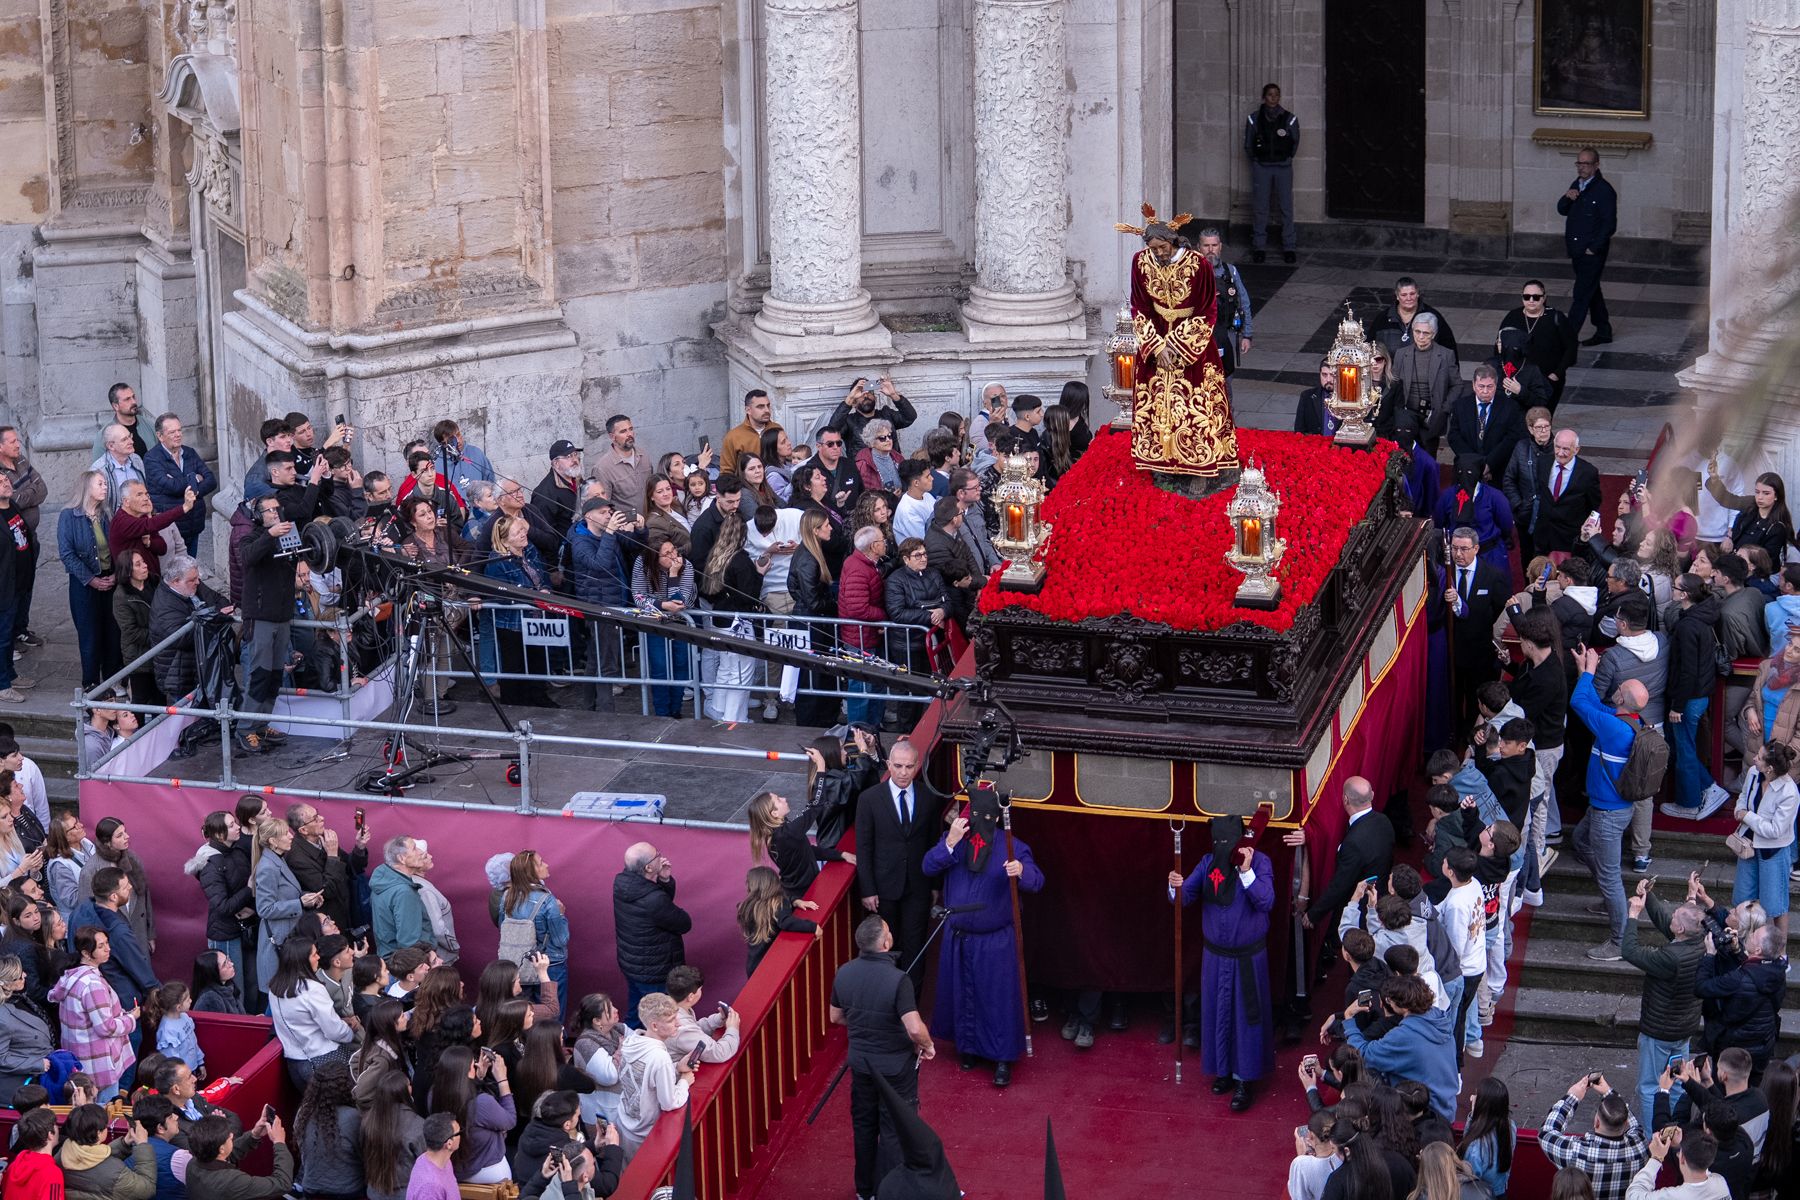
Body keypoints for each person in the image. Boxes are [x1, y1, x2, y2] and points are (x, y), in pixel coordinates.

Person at [915, 786, 1042, 1090]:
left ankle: (1001, 1059)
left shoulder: (1012, 845)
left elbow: (1037, 882)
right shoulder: (957, 842)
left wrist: (1021, 870)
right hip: (958, 937)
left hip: (996, 940)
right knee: (962, 994)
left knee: (997, 1000)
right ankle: (968, 1049)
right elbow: (928, 866)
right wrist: (949, 841)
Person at [1115, 205, 1238, 478]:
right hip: (1155, 342)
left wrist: (1178, 346)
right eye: (1153, 249)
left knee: (1196, 407)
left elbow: (1208, 310)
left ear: (1172, 241)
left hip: (1192, 346)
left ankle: (1198, 468)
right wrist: (1156, 347)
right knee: (1157, 404)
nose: (1158, 254)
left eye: (1162, 247)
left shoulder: (1199, 264)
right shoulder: (1141, 261)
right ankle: (1163, 463)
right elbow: (1140, 306)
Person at [1167, 814, 1272, 1110]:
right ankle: (1223, 1071)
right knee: (1218, 1014)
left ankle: (1244, 1079)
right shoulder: (1207, 863)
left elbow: (1266, 901)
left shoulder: (1260, 863)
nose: (1223, 847)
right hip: (1215, 957)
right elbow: (1183, 897)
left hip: (1248, 960)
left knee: (1244, 1019)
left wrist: (1246, 872)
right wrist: (1175, 885)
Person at [830, 916, 937, 1199]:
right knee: (893, 1130)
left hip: (861, 1064)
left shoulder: (844, 972)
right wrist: (927, 1046)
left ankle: (865, 1191)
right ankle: (889, 1191)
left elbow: (836, 1016)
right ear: (886, 942)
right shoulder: (898, 980)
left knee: (864, 1126)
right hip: (894, 1068)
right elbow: (914, 1027)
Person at [1569, 652, 1651, 960]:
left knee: (1610, 877)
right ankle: (1611, 900)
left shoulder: (1613, 727)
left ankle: (1619, 941)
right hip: (1610, 807)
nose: (1615, 687)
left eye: (1620, 687)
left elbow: (1578, 704)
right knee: (1579, 841)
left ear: (1622, 697)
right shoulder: (1629, 721)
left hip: (1608, 813)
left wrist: (1590, 671)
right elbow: (1590, 703)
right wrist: (1583, 672)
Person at [855, 739, 941, 990]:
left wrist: (935, 884)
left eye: (909, 767)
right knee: (884, 946)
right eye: (899, 766)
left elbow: (932, 841)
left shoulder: (928, 797)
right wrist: (867, 889)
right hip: (882, 888)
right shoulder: (869, 799)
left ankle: (911, 1001)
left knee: (915, 945)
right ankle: (886, 997)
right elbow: (864, 846)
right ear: (888, 765)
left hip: (918, 886)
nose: (904, 773)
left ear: (917, 767)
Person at [1621, 877, 1707, 1124]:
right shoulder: (1699, 941)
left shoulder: (1671, 957)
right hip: (1683, 1027)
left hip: (1660, 1031)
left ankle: (1655, 1138)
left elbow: (1630, 951)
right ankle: (1675, 1130)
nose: (1670, 918)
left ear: (1680, 930)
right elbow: (1665, 921)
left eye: (1675, 918)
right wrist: (1650, 895)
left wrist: (1633, 915)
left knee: (1650, 1086)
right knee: (1678, 1081)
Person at [1341, 975, 1457, 1121]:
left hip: (1423, 1113)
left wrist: (1349, 1017)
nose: (1386, 1002)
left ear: (1403, 1005)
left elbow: (1363, 1054)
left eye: (1389, 1000)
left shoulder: (1405, 1036)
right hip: (1447, 1106)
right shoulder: (1440, 1019)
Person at [49, 926, 138, 1103]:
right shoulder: (92, 984)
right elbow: (106, 1027)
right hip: (98, 1064)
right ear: (86, 953)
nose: (108, 948)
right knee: (103, 1112)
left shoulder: (70, 977)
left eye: (107, 943)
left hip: (80, 1059)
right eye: (101, 946)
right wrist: (131, 1018)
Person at [612, 843, 690, 1024]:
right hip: (655, 970)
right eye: (657, 855)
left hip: (633, 964)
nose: (661, 857)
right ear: (648, 867)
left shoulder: (621, 884)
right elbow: (684, 923)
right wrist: (664, 885)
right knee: (660, 1019)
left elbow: (659, 903)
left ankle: (628, 1048)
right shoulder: (653, 899)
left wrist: (663, 880)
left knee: (636, 1012)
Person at [1695, 925, 1789, 1075]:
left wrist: (1709, 956)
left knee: (1723, 1094)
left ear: (1758, 950)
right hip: (1762, 1047)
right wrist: (1738, 951)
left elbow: (1701, 987)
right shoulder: (1778, 972)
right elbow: (1756, 969)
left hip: (1734, 1051)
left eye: (1753, 936)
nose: (1749, 935)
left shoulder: (1737, 979)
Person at [1541, 1072, 1651, 1200]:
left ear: (1596, 1122)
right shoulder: (1640, 1145)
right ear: (1625, 1123)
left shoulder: (1575, 1152)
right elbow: (1632, 1123)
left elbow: (1546, 1131)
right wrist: (1608, 1093)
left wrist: (1572, 1097)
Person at [1727, 741, 1798, 934]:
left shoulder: (1789, 792)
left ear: (1770, 768)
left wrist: (1747, 816)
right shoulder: (1753, 773)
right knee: (1743, 900)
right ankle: (1745, 947)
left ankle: (1780, 955)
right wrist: (1740, 808)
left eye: (1759, 757)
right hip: (1748, 845)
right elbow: (1744, 795)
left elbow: (1775, 830)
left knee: (1775, 905)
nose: (1754, 759)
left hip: (1773, 851)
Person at [267, 935, 355, 1088]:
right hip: (325, 1061)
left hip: (295, 1064)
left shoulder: (274, 988)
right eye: (314, 954)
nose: (318, 957)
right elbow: (334, 1031)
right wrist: (350, 1031)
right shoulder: (312, 989)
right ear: (302, 960)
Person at [614, 992, 692, 1159]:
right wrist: (685, 1081)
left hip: (624, 1121)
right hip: (643, 1134)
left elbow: (644, 1075)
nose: (678, 1023)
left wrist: (677, 1066)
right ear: (655, 1026)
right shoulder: (659, 1057)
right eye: (671, 1020)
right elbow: (669, 1103)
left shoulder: (631, 1041)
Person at [628, 537, 696, 719]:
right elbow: (638, 596)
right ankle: (662, 713)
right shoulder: (642, 563)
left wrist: (673, 574)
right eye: (667, 554)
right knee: (660, 667)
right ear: (655, 558)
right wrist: (663, 605)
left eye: (674, 550)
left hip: (679, 623)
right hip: (654, 622)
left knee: (681, 666)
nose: (674, 556)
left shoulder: (685, 566)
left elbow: (682, 601)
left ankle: (676, 709)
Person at [1558, 146, 1619, 347]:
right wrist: (1567, 197)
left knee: (1581, 293)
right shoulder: (1578, 184)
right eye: (1579, 163)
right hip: (1577, 249)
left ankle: (1567, 337)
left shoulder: (1604, 190)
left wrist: (1593, 248)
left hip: (1591, 252)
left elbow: (1609, 224)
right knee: (1591, 290)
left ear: (1596, 165)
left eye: (1586, 164)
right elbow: (1562, 210)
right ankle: (1604, 330)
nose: (1581, 167)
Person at [502, 850, 571, 1021]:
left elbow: (503, 927)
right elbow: (561, 939)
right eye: (541, 863)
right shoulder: (546, 900)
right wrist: (561, 915)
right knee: (551, 1016)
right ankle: (551, 1047)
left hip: (518, 965)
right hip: (549, 964)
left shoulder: (507, 897)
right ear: (531, 872)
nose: (546, 864)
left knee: (522, 1017)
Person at [251, 818, 316, 990]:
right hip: (279, 939)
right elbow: (265, 909)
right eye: (286, 833)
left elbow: (286, 893)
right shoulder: (268, 867)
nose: (291, 836)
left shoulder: (278, 860)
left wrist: (306, 898)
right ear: (273, 841)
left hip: (287, 936)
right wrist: (299, 903)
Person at [1500, 280, 1580, 410]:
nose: (1531, 300)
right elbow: (1500, 345)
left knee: (1542, 419)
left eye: (1536, 297)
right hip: (1517, 380)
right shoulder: (1513, 316)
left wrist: (1556, 374)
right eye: (1527, 297)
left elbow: (1571, 347)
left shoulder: (1556, 318)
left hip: (1547, 381)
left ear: (1544, 298)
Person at [293, 1058, 364, 1200]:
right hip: (349, 1191)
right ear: (346, 1087)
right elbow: (363, 1154)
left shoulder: (303, 1113)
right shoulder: (353, 1118)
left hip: (311, 1189)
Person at [1243, 83, 1297, 262]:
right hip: (1262, 167)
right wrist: (1258, 160)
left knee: (1286, 207)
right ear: (1264, 97)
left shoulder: (1289, 119)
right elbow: (1249, 144)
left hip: (1283, 167)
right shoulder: (1254, 118)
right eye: (1270, 95)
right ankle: (1259, 247)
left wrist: (1285, 158)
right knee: (1261, 208)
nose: (1273, 98)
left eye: (1276, 95)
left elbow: (1294, 143)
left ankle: (1289, 247)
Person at [185, 1110, 293, 1200]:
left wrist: (254, 1134)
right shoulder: (232, 1182)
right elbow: (282, 1184)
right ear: (221, 1149)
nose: (232, 1135)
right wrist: (279, 1142)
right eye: (229, 1137)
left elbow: (227, 1155)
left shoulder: (193, 1163)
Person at [1391, 313, 1460, 450]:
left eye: (1426, 333)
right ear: (1412, 331)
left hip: (1432, 416)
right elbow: (1393, 383)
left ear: (1433, 334)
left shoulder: (1446, 355)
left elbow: (1457, 385)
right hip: (1407, 414)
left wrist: (1444, 409)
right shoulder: (1401, 354)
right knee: (1404, 455)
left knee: (1429, 455)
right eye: (1417, 331)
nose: (1421, 337)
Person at [1448, 366, 1526, 484]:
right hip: (1466, 469)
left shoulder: (1510, 407)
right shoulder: (1460, 406)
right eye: (1481, 386)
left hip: (1498, 470)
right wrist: (1474, 463)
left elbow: (1511, 438)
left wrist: (1489, 465)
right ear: (1474, 385)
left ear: (1496, 386)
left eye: (1490, 386)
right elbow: (1454, 436)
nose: (1485, 391)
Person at [738, 865, 820, 974]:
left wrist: (794, 900)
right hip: (770, 963)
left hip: (753, 964)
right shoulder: (778, 903)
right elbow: (785, 921)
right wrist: (813, 926)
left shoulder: (746, 907)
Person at [1538, 429, 1606, 555]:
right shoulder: (1543, 462)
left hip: (1569, 538)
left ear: (1576, 450)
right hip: (1542, 534)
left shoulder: (1588, 472)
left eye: (1566, 449)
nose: (1560, 453)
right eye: (1557, 447)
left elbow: (1594, 504)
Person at [0, 953, 52, 1105]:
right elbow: (1, 1058)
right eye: (19, 976)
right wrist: (37, 1063)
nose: (25, 975)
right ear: (6, 983)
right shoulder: (3, 1017)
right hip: (22, 1088)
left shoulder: (19, 998)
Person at [663, 964, 740, 1064]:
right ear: (690, 997)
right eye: (700, 989)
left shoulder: (669, 1007)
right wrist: (732, 1028)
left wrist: (718, 1020)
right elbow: (719, 1053)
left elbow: (694, 1029)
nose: (701, 992)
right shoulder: (681, 1028)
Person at [1627, 1126, 1729, 1200]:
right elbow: (1701, 1159)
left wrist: (1656, 1158)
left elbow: (1633, 1195)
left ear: (1682, 1159)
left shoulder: (1674, 1196)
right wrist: (1681, 1146)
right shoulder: (1720, 1183)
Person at [1461, 1077, 1516, 1198]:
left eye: (1476, 1095)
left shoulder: (1475, 1147)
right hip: (1500, 1191)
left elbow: (1468, 1180)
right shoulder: (1510, 1126)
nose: (1472, 1097)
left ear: (1482, 1104)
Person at [721, 390, 781, 479]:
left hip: (776, 486)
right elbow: (726, 472)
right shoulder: (733, 437)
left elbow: (788, 460)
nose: (767, 410)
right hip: (747, 488)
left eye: (768, 405)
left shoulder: (777, 429)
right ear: (748, 410)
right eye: (760, 407)